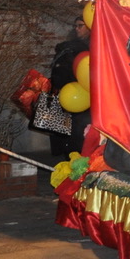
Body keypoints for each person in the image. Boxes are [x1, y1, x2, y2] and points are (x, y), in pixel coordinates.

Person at [47, 16, 91, 159]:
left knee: (75, 133)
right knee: (74, 133)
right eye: (75, 26)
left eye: (80, 26)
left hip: (78, 96)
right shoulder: (72, 48)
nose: (77, 29)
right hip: (75, 95)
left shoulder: (74, 47)